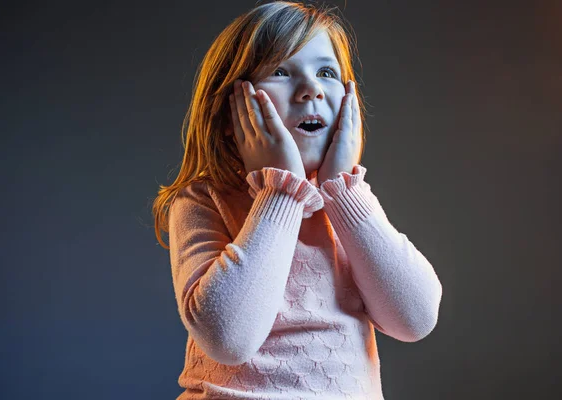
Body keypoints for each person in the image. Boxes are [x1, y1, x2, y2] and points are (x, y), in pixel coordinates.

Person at [152, 1, 443, 398]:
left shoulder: (344, 203)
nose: (312, 89)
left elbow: (415, 318)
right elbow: (228, 338)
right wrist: (281, 191)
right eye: (281, 72)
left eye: (326, 72)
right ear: (228, 115)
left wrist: (343, 190)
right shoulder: (201, 200)